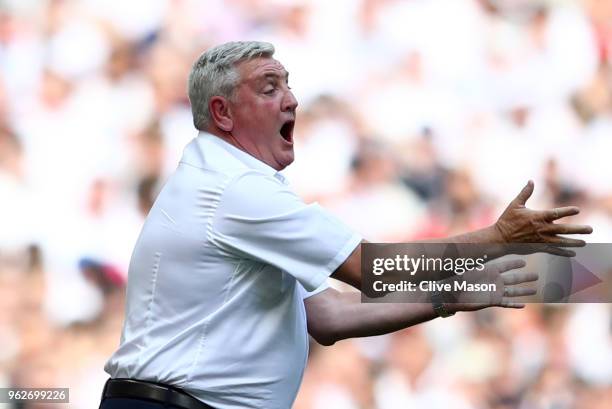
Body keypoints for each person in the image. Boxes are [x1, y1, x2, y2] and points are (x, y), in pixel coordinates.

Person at [99, 41, 592, 409]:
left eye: (288, 84)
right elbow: (374, 271)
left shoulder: (227, 182)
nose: (291, 99)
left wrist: (451, 296)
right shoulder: (235, 190)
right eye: (270, 88)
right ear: (222, 113)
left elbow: (327, 316)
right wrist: (496, 239)